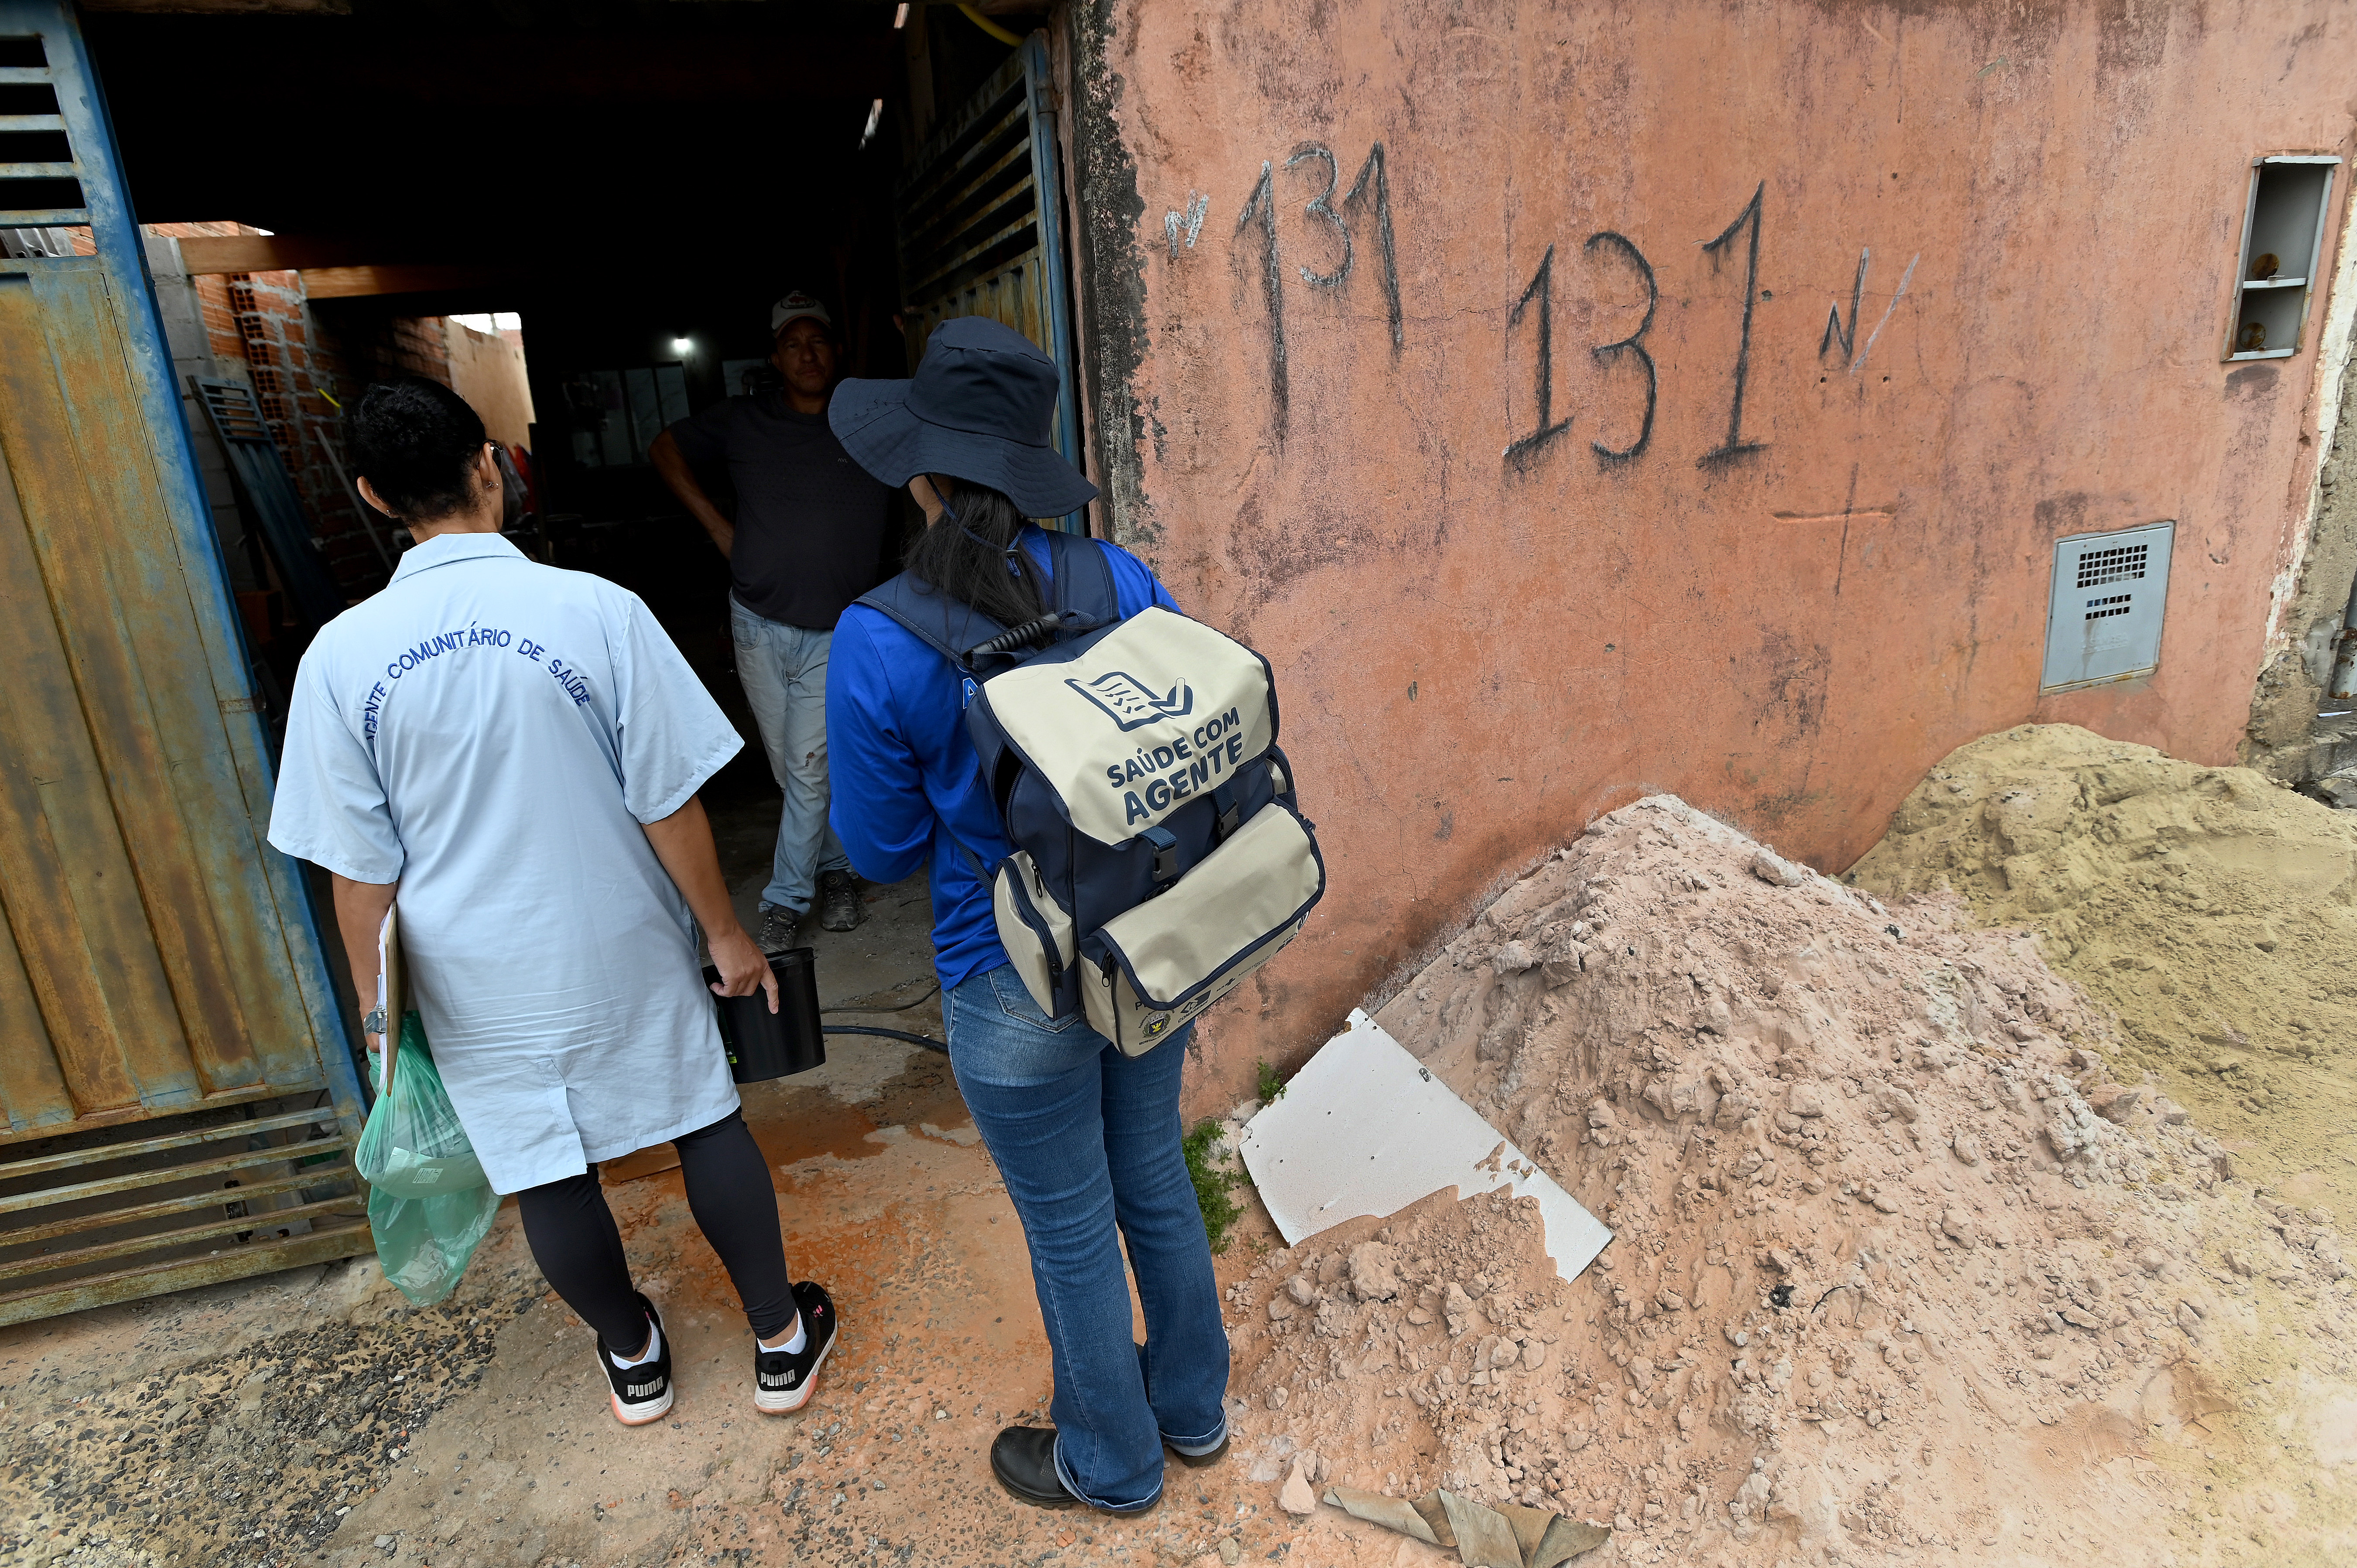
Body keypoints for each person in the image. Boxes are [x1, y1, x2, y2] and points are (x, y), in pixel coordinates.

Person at [269, 377, 839, 1429]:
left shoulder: (340, 658)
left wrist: (377, 1016)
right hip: (620, 935)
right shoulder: (596, 610)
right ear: (490, 467)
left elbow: (359, 874)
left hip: (469, 972)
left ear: (372, 496)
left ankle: (633, 1356)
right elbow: (668, 801)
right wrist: (726, 936)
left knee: (544, 1170)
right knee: (701, 1117)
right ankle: (779, 1341)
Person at [823, 318, 1229, 1514]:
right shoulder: (1120, 578)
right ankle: (1192, 1409)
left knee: (1068, 1225)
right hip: (1146, 938)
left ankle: (1112, 1464)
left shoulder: (877, 636)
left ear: (920, 468)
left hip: (1005, 969)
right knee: (1150, 1170)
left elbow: (878, 849)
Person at [651, 291, 893, 949]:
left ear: (837, 350)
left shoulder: (868, 423)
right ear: (775, 358)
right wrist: (717, 527)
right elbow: (665, 448)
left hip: (834, 627)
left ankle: (784, 904)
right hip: (756, 622)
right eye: (793, 344)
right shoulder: (743, 421)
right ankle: (838, 872)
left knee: (809, 770)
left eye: (818, 341)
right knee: (793, 772)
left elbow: (930, 443)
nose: (807, 355)